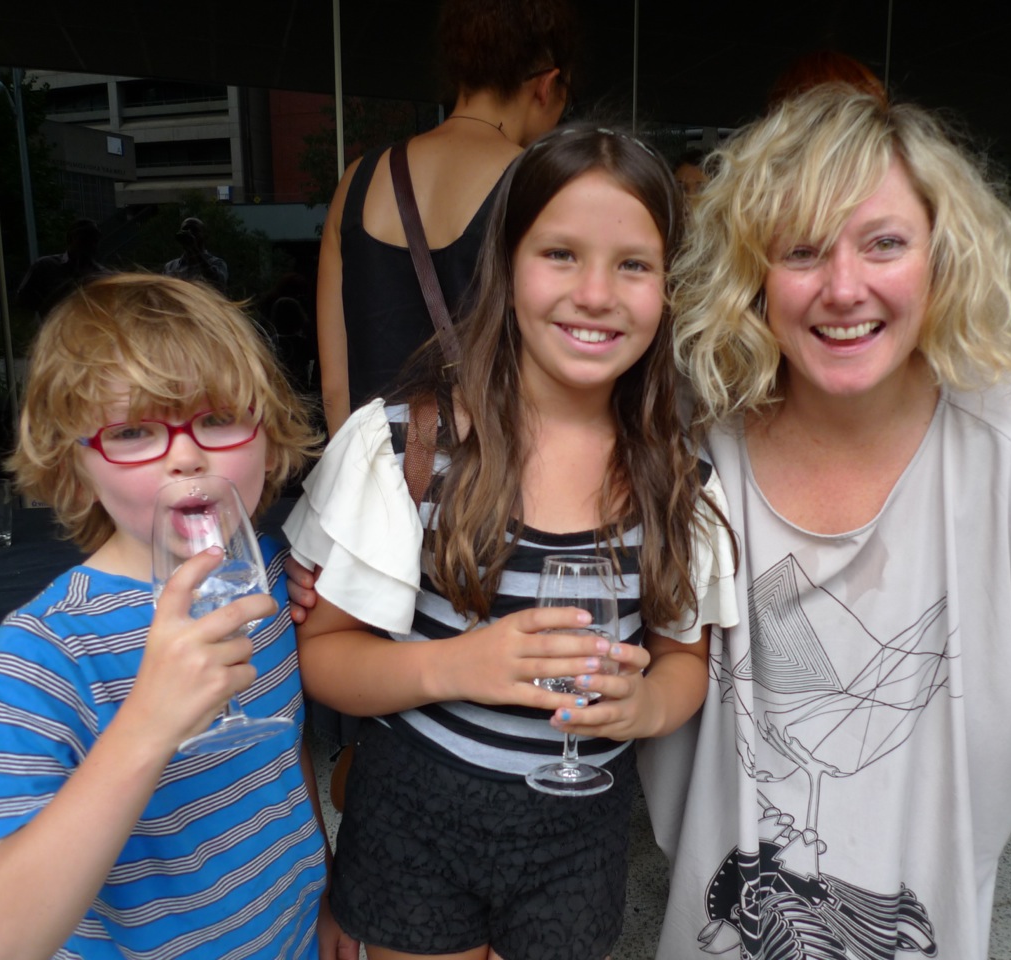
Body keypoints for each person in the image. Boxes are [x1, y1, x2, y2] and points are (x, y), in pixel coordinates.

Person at [639, 86, 1011, 960]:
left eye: (883, 243)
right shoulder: (701, 429)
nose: (844, 288)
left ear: (941, 256)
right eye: (801, 249)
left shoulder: (1001, 423)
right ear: (752, 271)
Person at [283, 126, 737, 960]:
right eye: (560, 254)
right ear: (506, 264)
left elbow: (684, 660)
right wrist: (455, 666)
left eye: (633, 265)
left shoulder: (679, 482)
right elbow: (324, 657)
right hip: (414, 830)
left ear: (670, 287)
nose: (595, 293)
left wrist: (648, 707)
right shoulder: (405, 448)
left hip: (578, 844)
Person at [0, 274, 356, 960]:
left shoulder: (268, 579)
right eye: (133, 431)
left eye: (219, 418)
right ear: (76, 463)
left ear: (269, 437)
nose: (186, 455)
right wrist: (147, 723)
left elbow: (279, 756)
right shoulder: (44, 653)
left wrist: (323, 889)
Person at [316, 0, 577, 436]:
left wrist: (360, 471)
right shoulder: (542, 187)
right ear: (547, 85)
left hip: (374, 467)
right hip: (492, 469)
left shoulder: (356, 182)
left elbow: (335, 389)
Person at [16, 218, 107, 317]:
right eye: (84, 239)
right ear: (70, 239)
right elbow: (23, 299)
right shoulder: (44, 266)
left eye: (95, 240)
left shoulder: (103, 275)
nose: (91, 245)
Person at [163, 216, 230, 292]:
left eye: (194, 230)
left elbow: (218, 285)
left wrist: (194, 250)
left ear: (205, 236)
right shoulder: (170, 267)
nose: (189, 233)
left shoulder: (217, 263)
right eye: (185, 230)